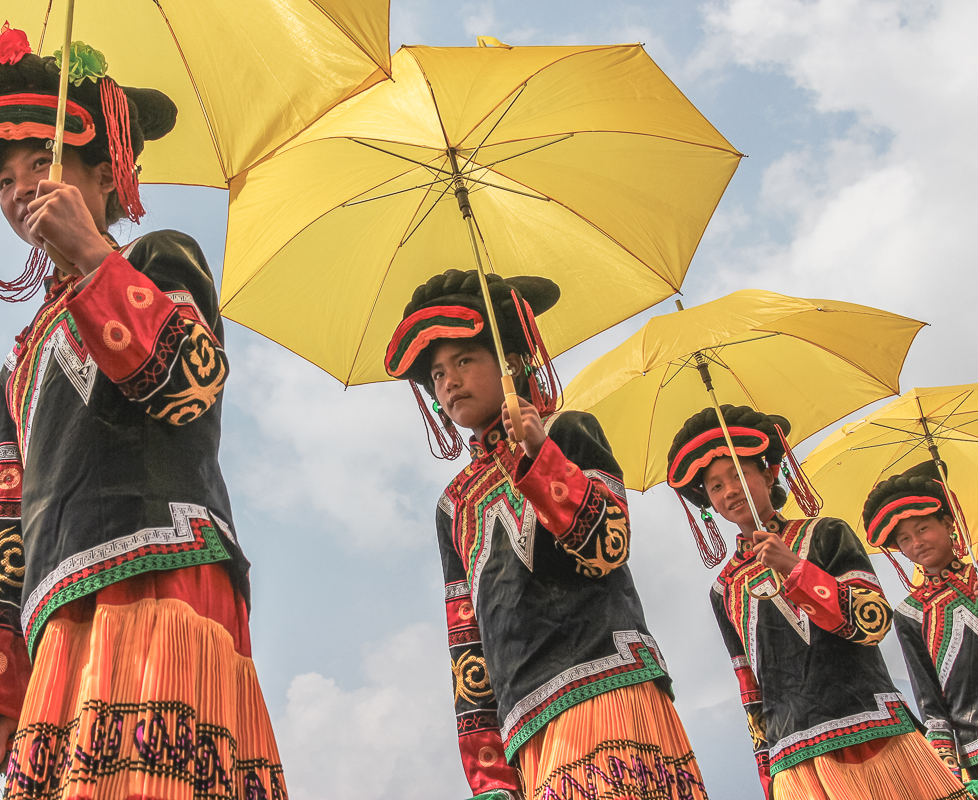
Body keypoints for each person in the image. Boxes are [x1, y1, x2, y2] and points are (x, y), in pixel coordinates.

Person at [0, 24, 286, 799]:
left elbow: (191, 388)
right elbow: (3, 533)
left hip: (165, 575)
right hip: (57, 616)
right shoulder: (16, 368)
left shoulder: (159, 261)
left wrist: (95, 261)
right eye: (3, 182)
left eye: (43, 163)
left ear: (106, 177)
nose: (21, 188)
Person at [384, 268, 708, 800]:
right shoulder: (454, 503)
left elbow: (609, 546)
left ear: (510, 362)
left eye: (464, 360)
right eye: (437, 373)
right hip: (523, 726)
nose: (449, 382)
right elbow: (466, 643)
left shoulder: (569, 433)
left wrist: (541, 454)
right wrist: (488, 774)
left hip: (608, 679)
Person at [667, 405, 966, 800]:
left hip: (872, 728)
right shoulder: (724, 589)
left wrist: (793, 567)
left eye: (738, 474)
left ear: (769, 473)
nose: (730, 491)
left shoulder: (826, 535)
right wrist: (767, 771)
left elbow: (872, 622)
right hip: (793, 757)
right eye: (716, 486)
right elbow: (750, 690)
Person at [863, 460, 978, 784]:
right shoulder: (911, 614)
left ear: (947, 523)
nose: (917, 543)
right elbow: (931, 704)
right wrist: (949, 773)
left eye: (923, 528)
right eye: (905, 539)